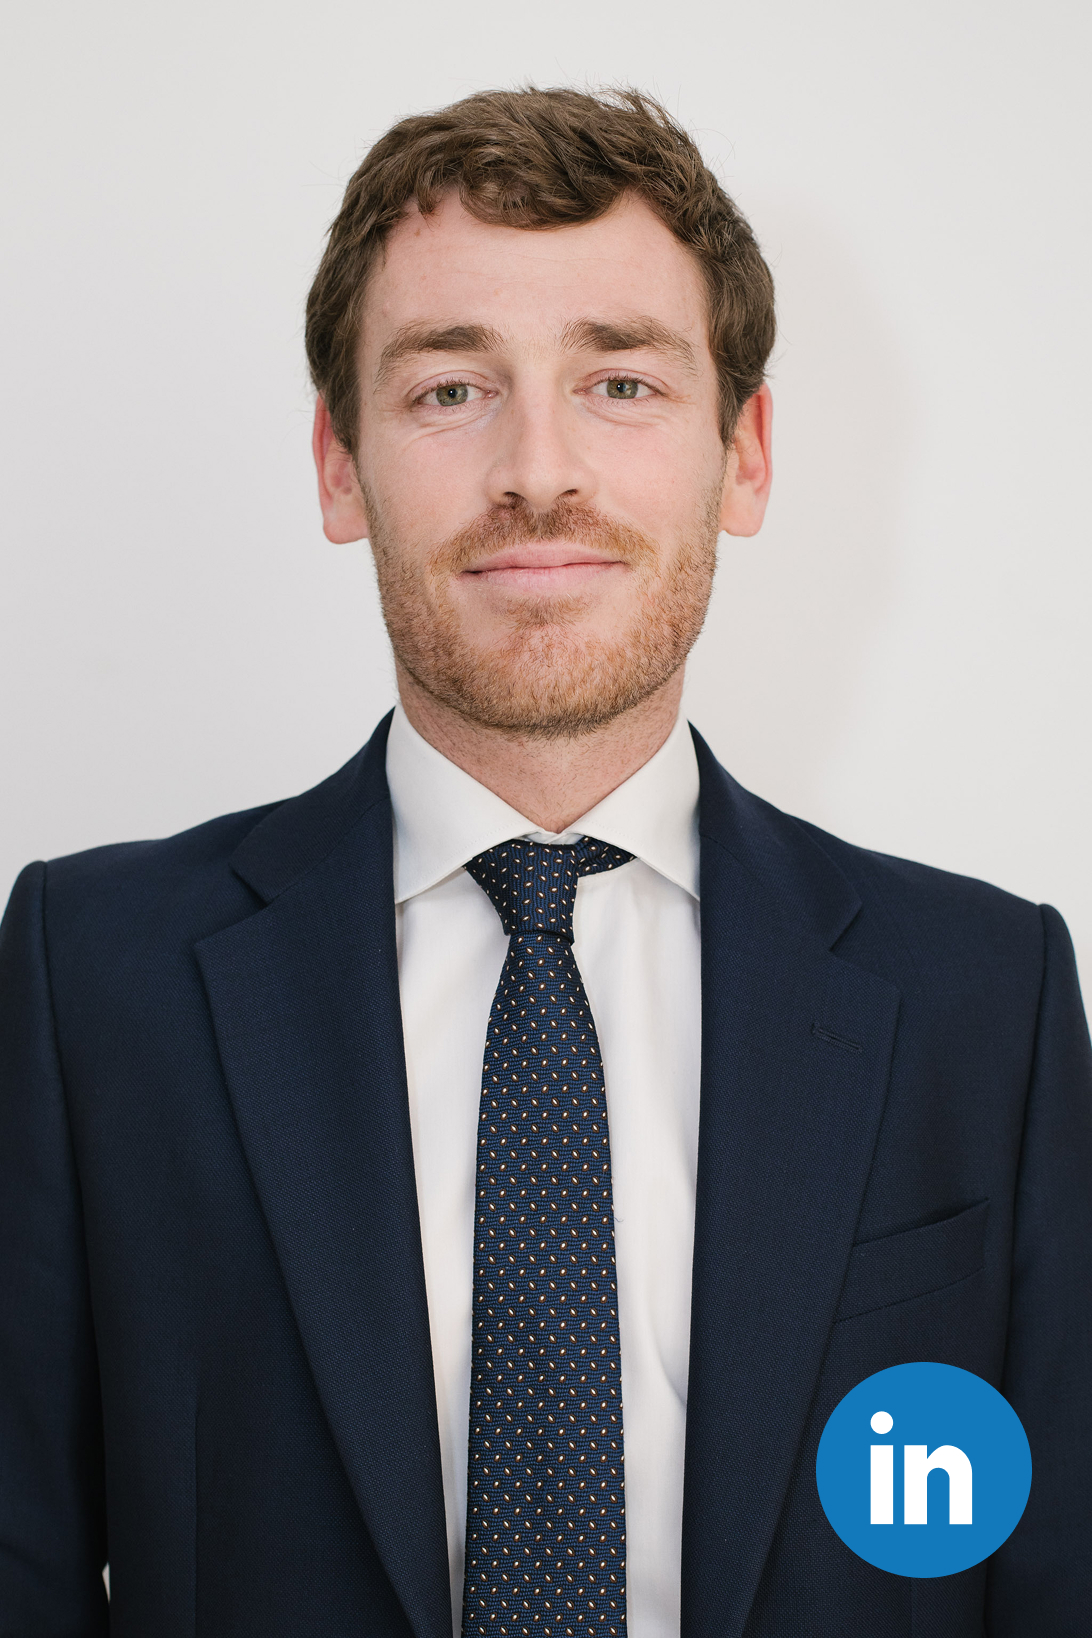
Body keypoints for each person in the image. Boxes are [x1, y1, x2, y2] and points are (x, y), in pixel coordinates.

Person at [0, 86, 1089, 1638]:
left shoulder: (988, 1002)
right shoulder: (92, 980)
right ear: (337, 462)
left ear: (745, 454)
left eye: (621, 381)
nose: (538, 468)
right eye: (451, 388)